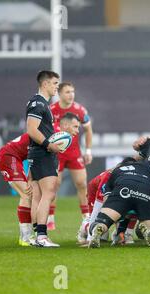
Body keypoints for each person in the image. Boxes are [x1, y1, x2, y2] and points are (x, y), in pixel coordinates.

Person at [49, 82, 94, 231]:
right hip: (57, 153)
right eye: (67, 92)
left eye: (72, 92)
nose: (71, 95)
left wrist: (88, 150)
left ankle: (86, 217)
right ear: (60, 94)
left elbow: (88, 130)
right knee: (54, 185)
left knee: (81, 183)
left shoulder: (80, 110)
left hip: (74, 153)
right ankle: (50, 218)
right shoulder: (51, 110)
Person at [26, 70, 61, 247]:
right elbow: (31, 129)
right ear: (45, 84)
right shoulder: (38, 103)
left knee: (38, 196)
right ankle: (42, 236)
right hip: (42, 153)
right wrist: (49, 144)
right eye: (55, 83)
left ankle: (36, 236)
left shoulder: (41, 103)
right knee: (49, 193)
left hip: (36, 153)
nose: (57, 87)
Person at [0, 133, 33, 246]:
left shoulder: (41, 132)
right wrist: (30, 179)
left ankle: (25, 237)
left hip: (12, 157)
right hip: (9, 156)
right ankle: (25, 238)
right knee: (27, 194)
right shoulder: (43, 136)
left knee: (27, 194)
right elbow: (34, 160)